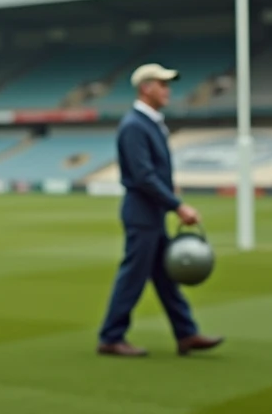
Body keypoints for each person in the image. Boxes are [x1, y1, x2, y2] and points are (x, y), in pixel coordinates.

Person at [96, 62, 224, 357]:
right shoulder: (134, 125)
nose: (168, 90)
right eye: (163, 84)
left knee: (165, 278)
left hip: (150, 213)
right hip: (142, 213)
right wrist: (178, 206)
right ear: (146, 88)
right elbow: (143, 177)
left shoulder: (149, 123)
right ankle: (110, 337)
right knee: (133, 277)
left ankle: (186, 334)